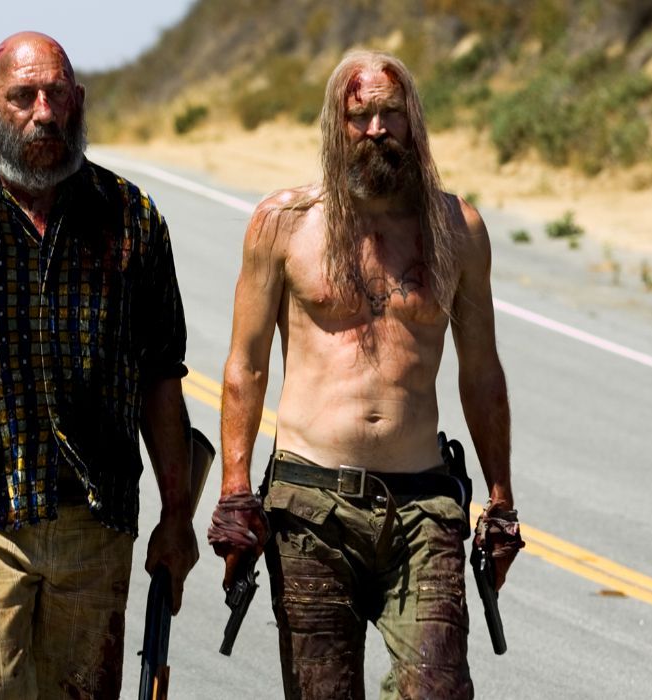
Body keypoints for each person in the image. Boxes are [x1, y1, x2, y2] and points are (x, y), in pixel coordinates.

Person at [0, 31, 199, 699]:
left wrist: (176, 515)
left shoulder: (133, 218)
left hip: (96, 515)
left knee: (82, 692)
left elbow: (162, 377)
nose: (44, 112)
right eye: (23, 97)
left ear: (79, 101)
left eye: (57, 95)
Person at [208, 50, 523, 699]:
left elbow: (483, 372)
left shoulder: (456, 229)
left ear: (414, 124)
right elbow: (246, 364)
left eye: (391, 114)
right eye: (360, 115)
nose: (377, 129)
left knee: (438, 689)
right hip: (310, 510)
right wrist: (236, 493)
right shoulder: (284, 224)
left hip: (424, 507)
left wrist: (500, 499)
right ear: (335, 124)